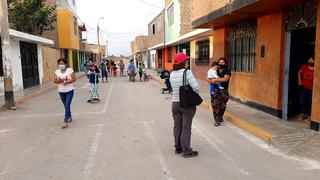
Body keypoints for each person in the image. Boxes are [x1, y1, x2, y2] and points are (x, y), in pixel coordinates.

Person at [170, 53, 200, 158]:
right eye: (186, 60)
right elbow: (196, 88)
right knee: (186, 127)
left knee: (177, 125)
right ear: (184, 62)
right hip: (186, 103)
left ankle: (178, 147)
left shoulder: (172, 74)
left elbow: (173, 88)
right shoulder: (187, 72)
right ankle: (186, 149)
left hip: (175, 103)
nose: (187, 62)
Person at [208, 57, 231, 127]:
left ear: (225, 63)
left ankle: (220, 116)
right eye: (219, 62)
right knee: (215, 105)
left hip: (224, 90)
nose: (221, 63)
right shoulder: (215, 69)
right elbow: (208, 78)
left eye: (222, 62)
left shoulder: (227, 70)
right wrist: (210, 81)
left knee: (222, 105)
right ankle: (217, 120)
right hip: (215, 90)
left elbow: (226, 79)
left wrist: (216, 80)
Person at [54, 58, 77, 129]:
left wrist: (67, 82)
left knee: (67, 105)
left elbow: (74, 78)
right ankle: (69, 116)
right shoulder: (57, 71)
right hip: (61, 91)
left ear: (66, 64)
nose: (61, 65)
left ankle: (65, 121)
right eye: (59, 64)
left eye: (62, 63)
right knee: (66, 106)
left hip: (69, 90)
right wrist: (60, 81)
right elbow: (55, 80)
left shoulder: (70, 70)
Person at [298, 57, 314, 122]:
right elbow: (299, 72)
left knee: (310, 102)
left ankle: (310, 115)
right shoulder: (304, 67)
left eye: (312, 60)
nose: (310, 61)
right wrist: (299, 80)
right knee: (302, 101)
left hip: (312, 88)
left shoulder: (317, 68)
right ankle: (303, 113)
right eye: (309, 60)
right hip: (304, 87)